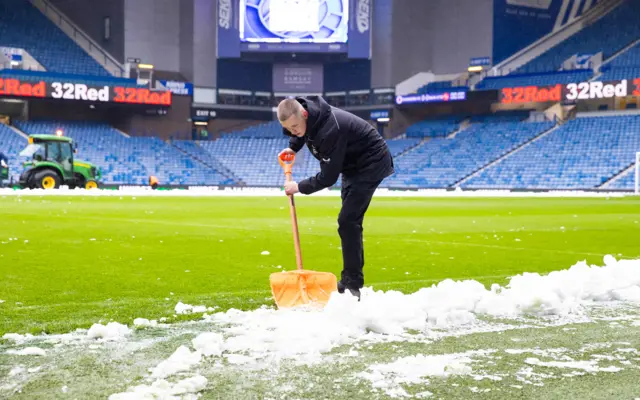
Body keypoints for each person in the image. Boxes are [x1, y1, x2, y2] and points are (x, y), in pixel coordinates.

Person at [277, 96, 394, 300]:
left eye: (295, 126)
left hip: (371, 162)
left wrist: (298, 186)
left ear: (304, 114)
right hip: (351, 164)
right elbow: (301, 133)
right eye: (289, 129)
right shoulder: (307, 118)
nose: (293, 131)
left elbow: (328, 177)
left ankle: (352, 284)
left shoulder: (330, 129)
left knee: (348, 220)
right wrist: (292, 147)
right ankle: (351, 280)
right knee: (348, 222)